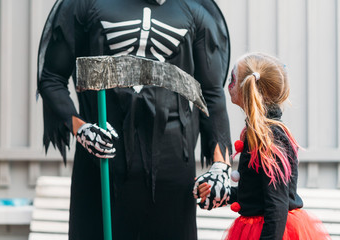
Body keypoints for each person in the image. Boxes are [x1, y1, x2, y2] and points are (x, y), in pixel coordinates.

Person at [37, 0, 232, 239]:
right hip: (101, 165)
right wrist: (82, 129)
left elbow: (211, 94)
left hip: (172, 171)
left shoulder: (194, 11)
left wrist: (220, 166)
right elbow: (51, 79)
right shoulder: (85, 5)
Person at [194, 52, 330, 239]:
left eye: (233, 79)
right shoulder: (259, 133)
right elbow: (256, 194)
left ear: (247, 87)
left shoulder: (271, 138)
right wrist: (224, 194)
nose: (228, 85)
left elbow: (277, 206)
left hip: (270, 232)